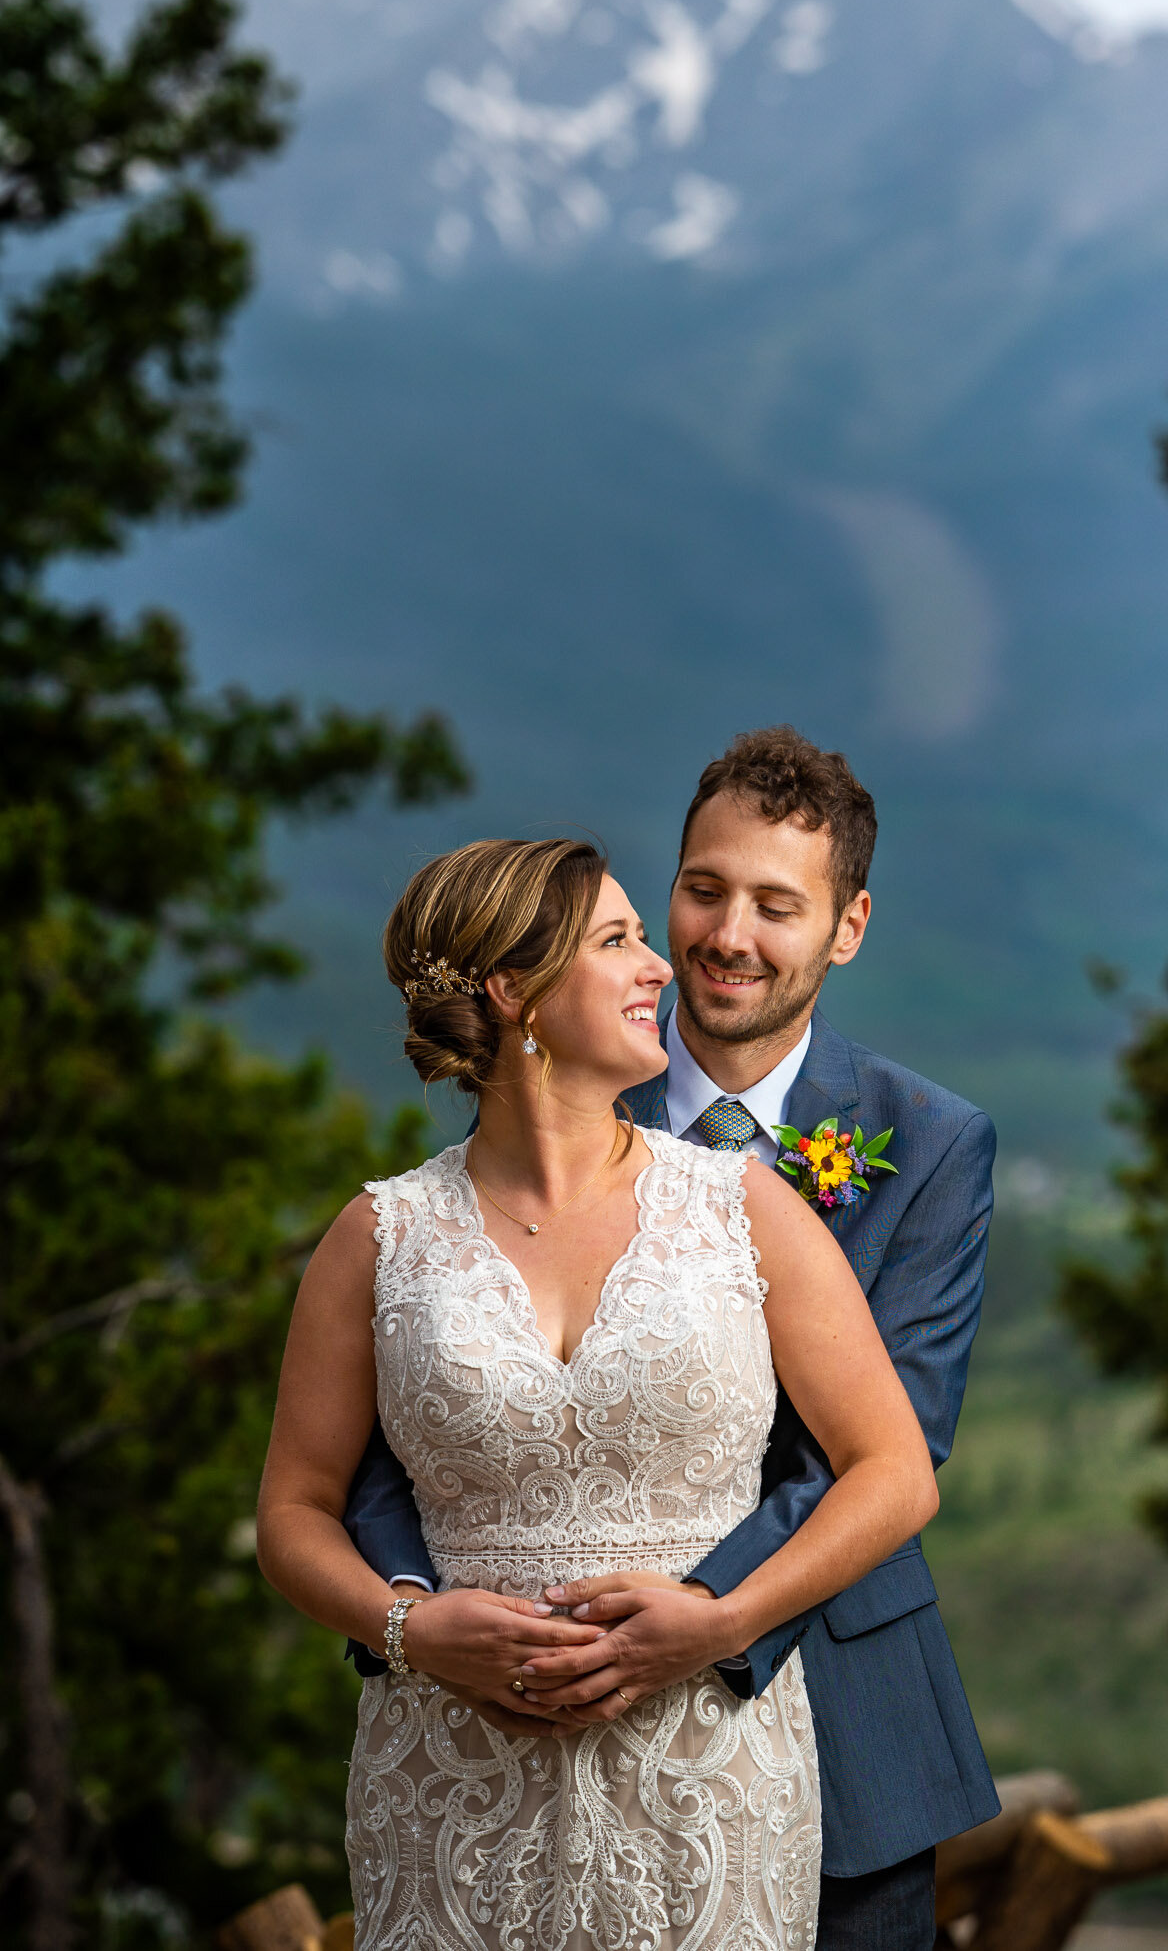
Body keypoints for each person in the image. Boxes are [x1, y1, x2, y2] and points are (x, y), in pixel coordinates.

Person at [342, 728, 1002, 1951]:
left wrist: (704, 1615)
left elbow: (890, 1441)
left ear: (846, 925)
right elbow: (402, 1435)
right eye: (702, 889)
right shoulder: (554, 1087)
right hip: (510, 1713)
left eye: (775, 904)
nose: (724, 935)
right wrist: (441, 1623)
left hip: (840, 1723)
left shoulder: (934, 1139)